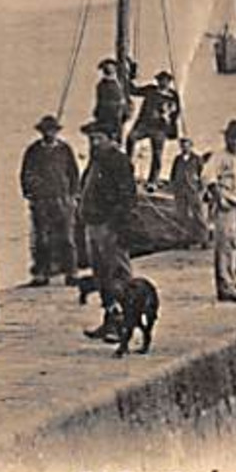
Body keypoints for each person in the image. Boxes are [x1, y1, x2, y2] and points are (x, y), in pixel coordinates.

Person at [79, 121, 138, 341]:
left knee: (118, 275)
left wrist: (119, 226)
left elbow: (127, 197)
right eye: (92, 139)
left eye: (98, 138)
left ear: (112, 138)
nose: (94, 143)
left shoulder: (119, 161)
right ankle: (110, 317)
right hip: (94, 225)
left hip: (111, 227)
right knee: (101, 275)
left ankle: (123, 322)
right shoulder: (97, 160)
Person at [20, 114, 81, 286]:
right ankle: (41, 273)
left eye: (52, 131)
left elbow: (73, 172)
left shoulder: (65, 149)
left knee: (67, 238)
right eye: (46, 131)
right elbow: (26, 174)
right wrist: (31, 193)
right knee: (42, 238)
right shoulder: (33, 150)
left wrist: (74, 195)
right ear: (41, 132)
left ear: (57, 132)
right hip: (41, 201)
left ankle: (72, 272)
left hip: (63, 200)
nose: (49, 134)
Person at [202, 119, 236, 302]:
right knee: (226, 245)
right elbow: (208, 177)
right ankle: (225, 286)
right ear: (226, 139)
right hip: (227, 205)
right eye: (232, 138)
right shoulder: (219, 157)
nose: (235, 142)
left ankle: (235, 282)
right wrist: (219, 198)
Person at [125, 70, 182, 186]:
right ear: (157, 81)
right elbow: (133, 91)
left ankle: (153, 180)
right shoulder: (150, 90)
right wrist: (128, 77)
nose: (163, 83)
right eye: (161, 80)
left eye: (166, 81)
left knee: (157, 154)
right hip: (144, 125)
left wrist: (169, 117)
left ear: (169, 82)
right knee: (131, 138)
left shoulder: (172, 95)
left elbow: (176, 112)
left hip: (160, 128)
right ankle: (127, 168)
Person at [168, 136, 209, 245]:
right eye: (182, 146)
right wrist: (174, 188)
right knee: (182, 216)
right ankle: (184, 240)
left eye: (187, 145)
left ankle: (204, 239)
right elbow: (172, 175)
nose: (184, 148)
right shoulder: (177, 159)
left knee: (198, 216)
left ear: (191, 146)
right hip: (180, 192)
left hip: (193, 191)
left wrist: (201, 191)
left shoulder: (197, 159)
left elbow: (203, 176)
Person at [92, 58, 130, 139]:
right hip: (106, 115)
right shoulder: (101, 85)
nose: (109, 69)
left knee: (117, 136)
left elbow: (125, 97)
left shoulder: (121, 82)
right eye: (107, 68)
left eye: (111, 67)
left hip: (118, 115)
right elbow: (100, 101)